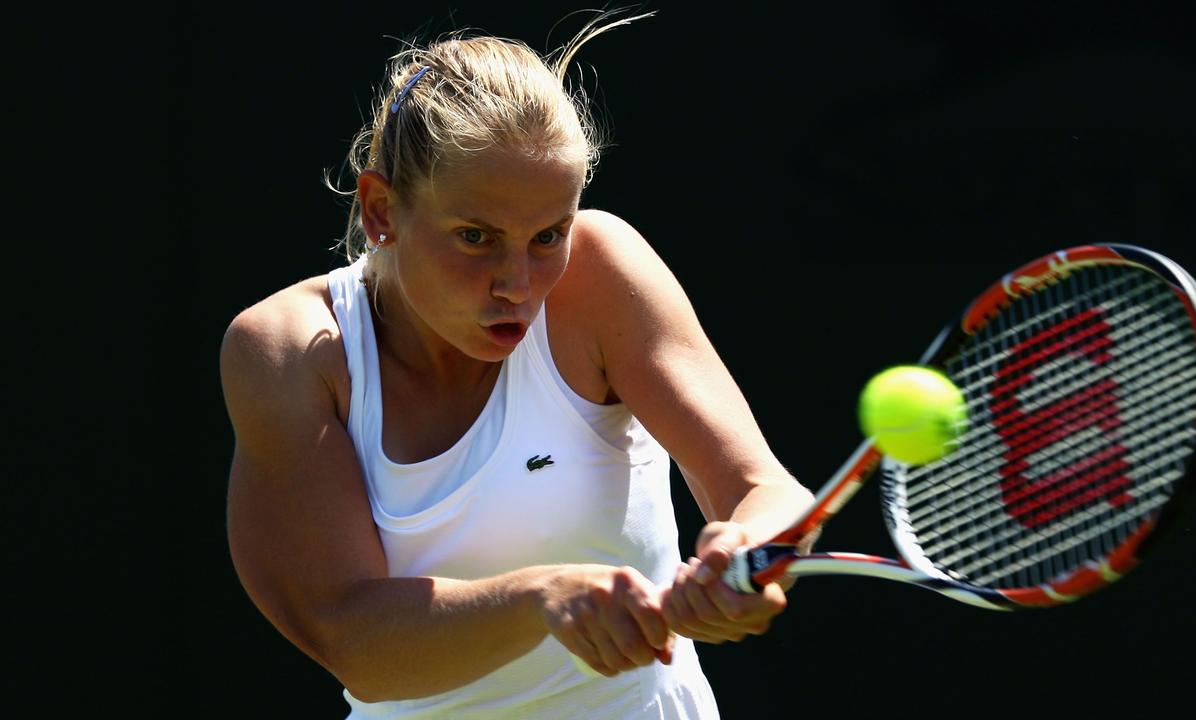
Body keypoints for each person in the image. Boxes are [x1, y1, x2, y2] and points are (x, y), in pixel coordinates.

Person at [219, 11, 815, 719]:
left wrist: (744, 549)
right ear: (380, 210)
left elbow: (764, 488)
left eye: (547, 235)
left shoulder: (599, 274)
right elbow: (359, 644)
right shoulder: (287, 351)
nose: (519, 283)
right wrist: (545, 596)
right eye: (476, 237)